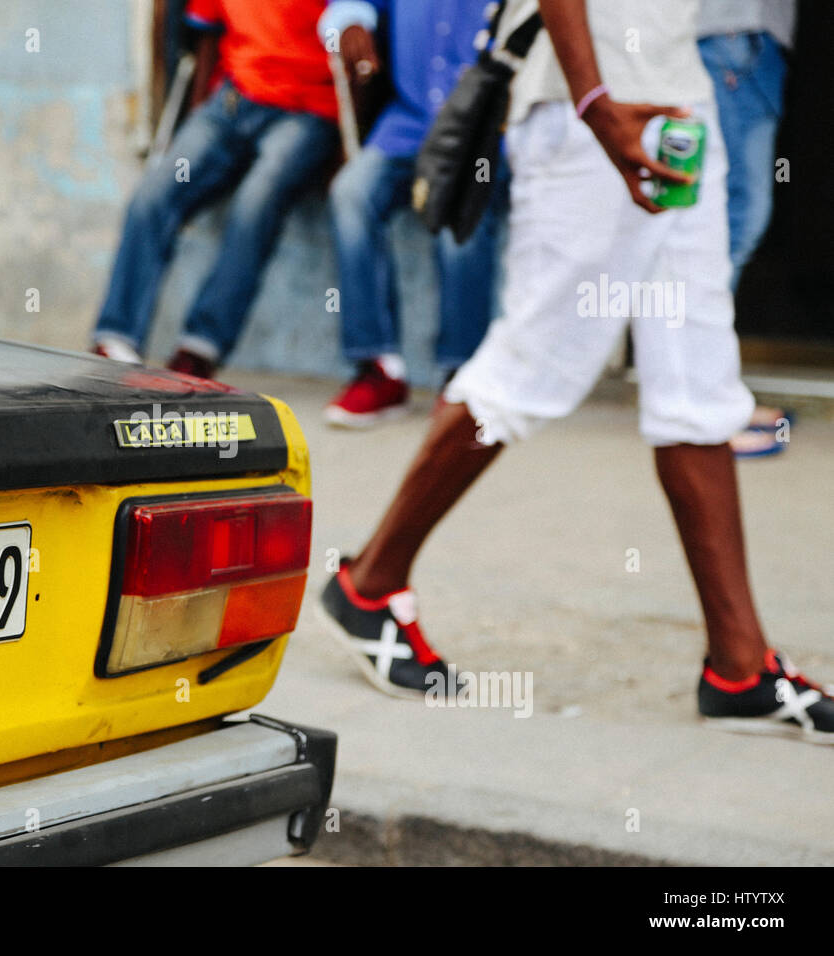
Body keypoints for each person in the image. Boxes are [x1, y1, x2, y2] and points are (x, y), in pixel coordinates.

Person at [319, 0, 834, 742]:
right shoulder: (591, 108)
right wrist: (598, 108)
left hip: (679, 104)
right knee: (530, 368)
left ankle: (739, 667)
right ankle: (368, 585)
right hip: (587, 109)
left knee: (699, 381)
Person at [90, 0, 338, 380]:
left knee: (256, 202)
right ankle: (115, 339)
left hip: (308, 109)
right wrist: (198, 117)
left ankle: (200, 346)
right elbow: (205, 35)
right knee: (153, 195)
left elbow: (363, 30)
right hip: (232, 99)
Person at [318, 0, 510, 427]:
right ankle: (379, 368)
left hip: (481, 130)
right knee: (352, 193)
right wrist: (349, 22)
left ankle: (460, 376)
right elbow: (348, 7)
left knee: (460, 217)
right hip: (407, 122)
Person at [697, 1, 798, 459]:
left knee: (729, 225)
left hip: (744, 39)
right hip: (731, 35)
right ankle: (703, 407)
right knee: (727, 227)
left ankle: (712, 397)